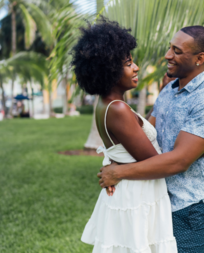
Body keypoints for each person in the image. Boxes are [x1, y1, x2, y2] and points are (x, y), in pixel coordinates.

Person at [98, 26, 204, 253]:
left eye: (177, 51)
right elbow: (147, 135)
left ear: (200, 58)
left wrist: (118, 172)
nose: (168, 55)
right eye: (170, 48)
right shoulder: (170, 89)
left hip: (188, 205)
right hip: (156, 198)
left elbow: (178, 161)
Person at [71, 18, 178, 252]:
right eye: (128, 63)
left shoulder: (109, 104)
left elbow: (139, 133)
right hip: (138, 196)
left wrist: (162, 96)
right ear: (108, 69)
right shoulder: (117, 109)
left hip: (132, 191)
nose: (136, 67)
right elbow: (154, 162)